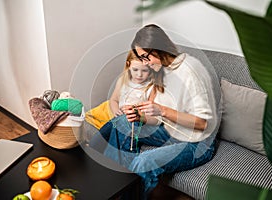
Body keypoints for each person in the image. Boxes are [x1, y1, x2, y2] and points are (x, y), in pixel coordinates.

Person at [90, 24, 220, 198]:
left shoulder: (190, 71)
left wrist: (162, 110)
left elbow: (202, 123)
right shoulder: (160, 70)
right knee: (121, 123)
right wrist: (138, 114)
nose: (145, 63)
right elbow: (154, 114)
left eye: (145, 57)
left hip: (198, 142)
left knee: (145, 160)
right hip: (171, 130)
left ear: (158, 48)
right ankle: (112, 188)